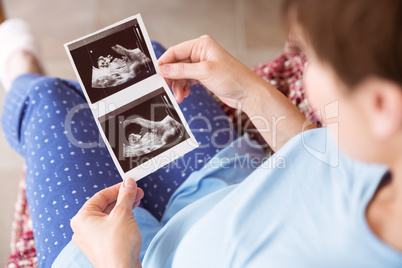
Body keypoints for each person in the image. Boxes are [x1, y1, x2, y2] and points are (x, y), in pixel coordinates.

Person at [2, 0, 402, 267]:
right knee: (150, 61)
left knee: (47, 99)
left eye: (314, 60)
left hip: (123, 258)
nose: (302, 73)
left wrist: (115, 262)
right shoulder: (387, 165)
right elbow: (325, 166)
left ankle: (20, 66)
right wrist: (247, 89)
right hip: (224, 189)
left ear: (381, 105)